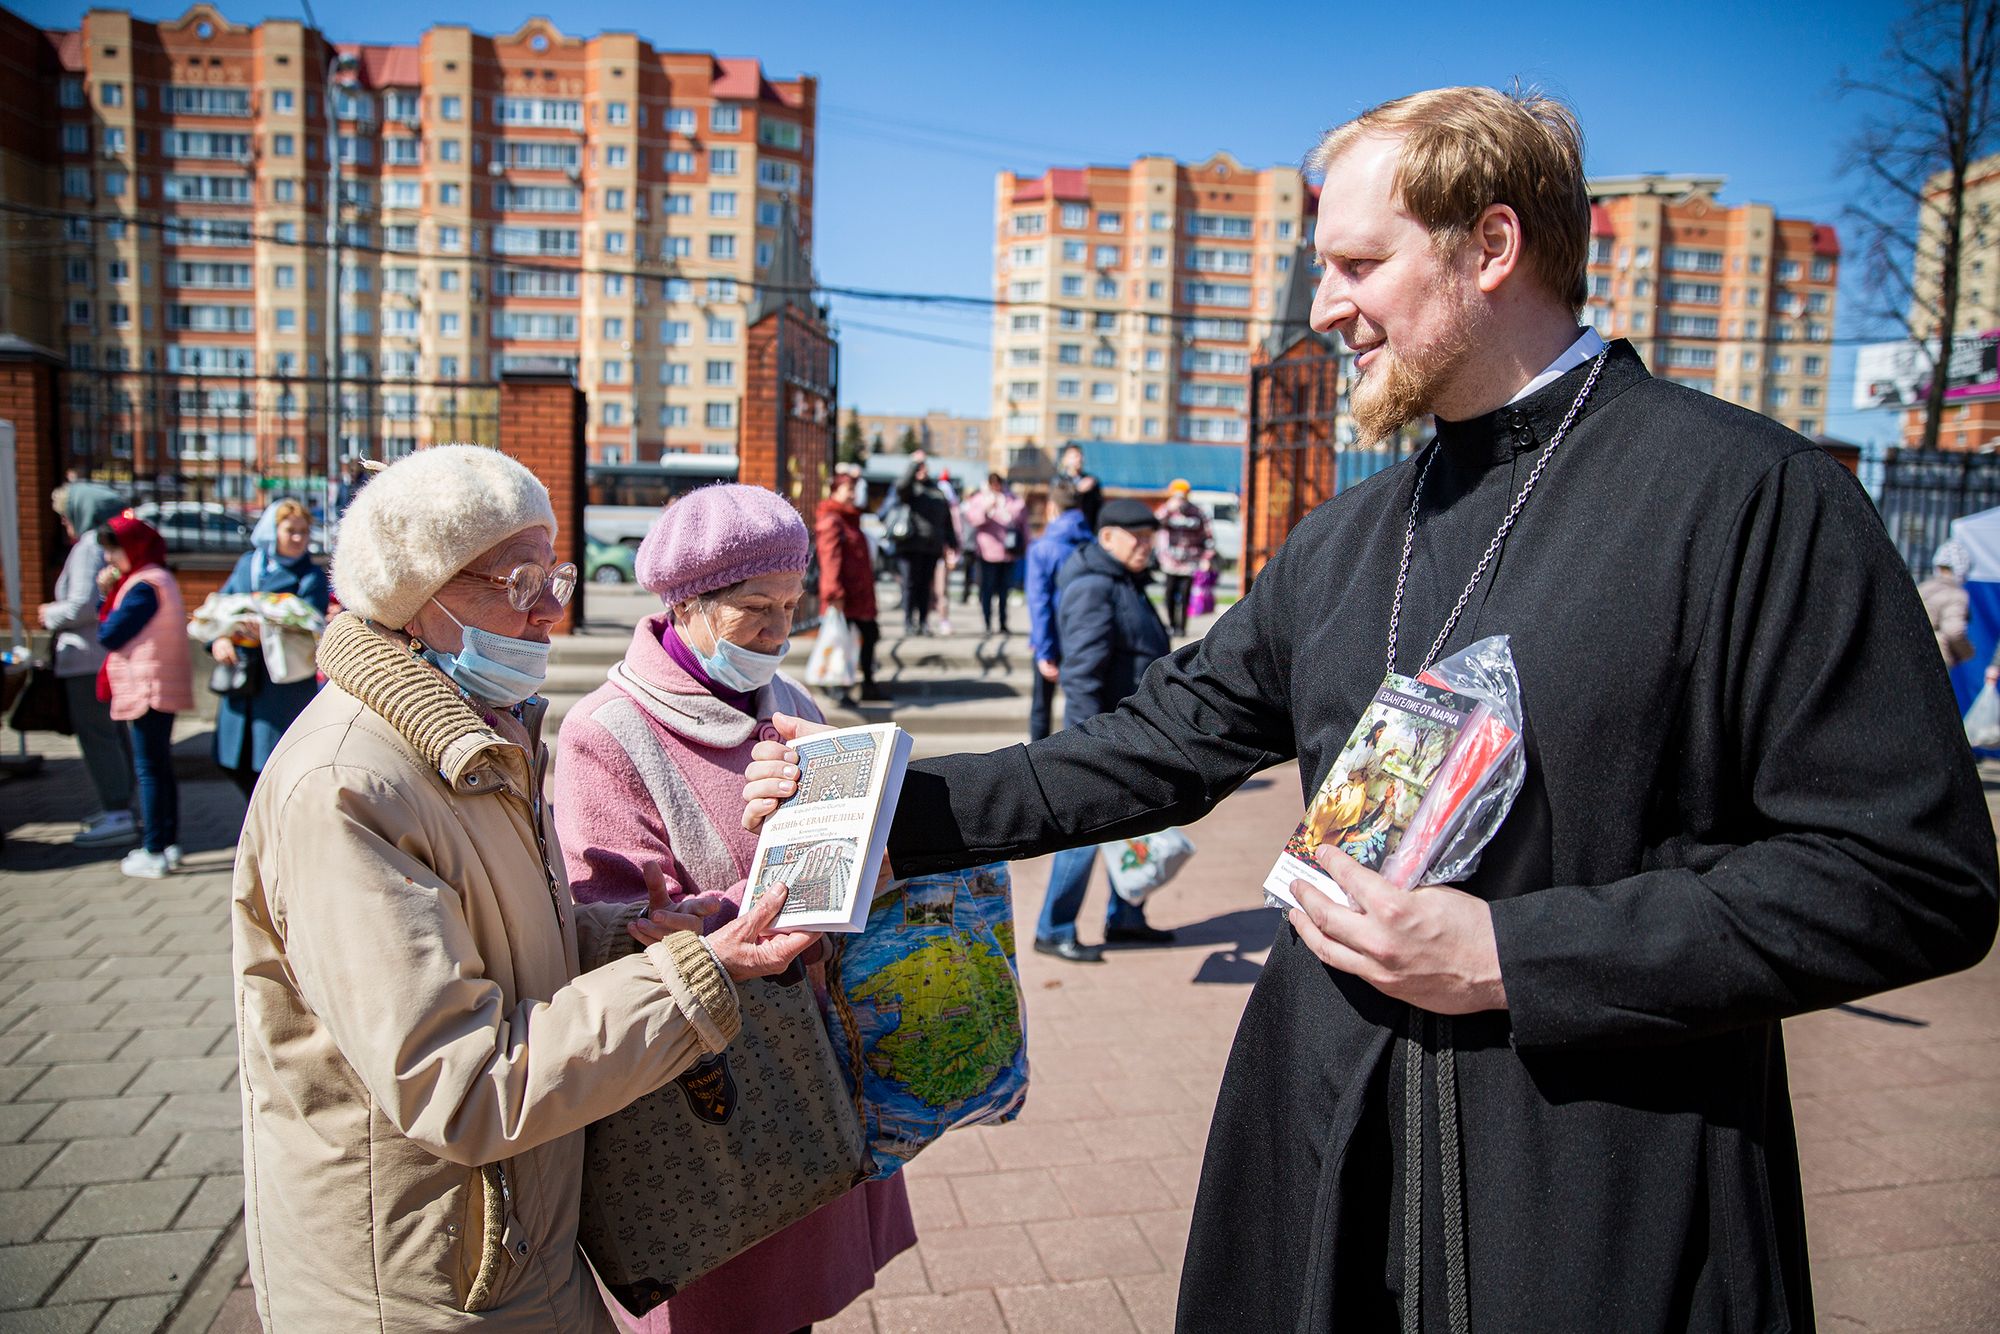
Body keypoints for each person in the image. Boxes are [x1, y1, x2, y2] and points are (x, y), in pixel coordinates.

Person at [749, 87, 2000, 1331]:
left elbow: (1906, 877)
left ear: (1491, 246)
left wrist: (1509, 955)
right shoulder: (1348, 537)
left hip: (1598, 1188)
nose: (1321, 308)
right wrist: (886, 801)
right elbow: (1156, 743)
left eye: (1356, 263)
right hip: (1320, 1158)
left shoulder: (1745, 497)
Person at [231, 446, 814, 1332]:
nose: (551, 612)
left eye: (557, 577)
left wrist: (633, 938)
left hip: (511, 1243)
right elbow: (460, 1082)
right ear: (415, 596)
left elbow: (509, 949)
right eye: (519, 583)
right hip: (430, 1275)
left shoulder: (478, 738)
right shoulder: (349, 786)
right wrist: (691, 976)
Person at [552, 483, 916, 1334]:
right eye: (756, 610)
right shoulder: (608, 730)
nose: (779, 635)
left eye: (792, 607)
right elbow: (610, 918)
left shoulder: (791, 705)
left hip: (811, 1055)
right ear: (685, 603)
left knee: (795, 1307)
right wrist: (734, 912)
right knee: (731, 1303)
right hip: (709, 1081)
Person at [1032, 499, 1176, 962]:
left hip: (1133, 731)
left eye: (1150, 538)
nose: (1145, 546)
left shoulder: (1124, 582)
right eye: (1136, 537)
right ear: (1107, 536)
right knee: (1086, 834)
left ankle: (1126, 917)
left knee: (1135, 825)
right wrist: (1087, 746)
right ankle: (1053, 929)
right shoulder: (1095, 586)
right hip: (1105, 736)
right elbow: (1082, 675)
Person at [207, 499, 331, 797]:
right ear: (272, 531)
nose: (299, 538)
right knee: (232, 759)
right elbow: (221, 608)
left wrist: (268, 629)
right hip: (242, 675)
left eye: (304, 531)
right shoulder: (248, 565)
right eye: (291, 531)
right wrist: (220, 639)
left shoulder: (310, 576)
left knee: (273, 762)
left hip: (281, 685)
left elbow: (309, 624)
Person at [94, 516, 193, 879]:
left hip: (147, 685)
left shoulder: (142, 584)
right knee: (159, 768)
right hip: (158, 683)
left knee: (149, 770)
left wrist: (105, 596)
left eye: (114, 548)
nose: (110, 557)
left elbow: (110, 634)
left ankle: (155, 849)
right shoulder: (157, 578)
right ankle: (166, 844)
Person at [38, 483, 135, 847]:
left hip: (86, 658)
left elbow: (81, 605)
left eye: (65, 517)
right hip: (102, 656)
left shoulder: (89, 545)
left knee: (99, 737)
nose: (65, 525)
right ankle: (120, 805)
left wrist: (50, 613)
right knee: (112, 735)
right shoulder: (105, 541)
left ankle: (117, 810)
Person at [1025, 480, 1094, 742]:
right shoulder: (1093, 544)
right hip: (1085, 635)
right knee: (1080, 705)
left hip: (1053, 634)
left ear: (1052, 507)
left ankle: (1035, 765)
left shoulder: (1042, 547)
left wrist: (1043, 650)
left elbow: (1039, 602)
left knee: (1041, 706)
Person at [816, 469, 887, 700]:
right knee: (841, 641)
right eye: (848, 490)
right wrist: (834, 592)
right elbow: (829, 558)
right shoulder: (832, 520)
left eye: (854, 490)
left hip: (859, 593)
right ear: (835, 491)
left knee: (869, 635)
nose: (853, 495)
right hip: (844, 596)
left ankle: (866, 683)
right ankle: (840, 686)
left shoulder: (850, 518)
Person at [892, 454, 956, 636]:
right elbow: (901, 485)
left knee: (925, 587)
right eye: (919, 468)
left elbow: (947, 519)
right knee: (910, 585)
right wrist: (914, 462)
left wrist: (951, 542)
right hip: (910, 545)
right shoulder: (911, 490)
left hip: (931, 547)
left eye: (924, 467)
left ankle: (923, 622)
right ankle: (908, 622)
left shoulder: (937, 492)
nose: (922, 471)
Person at [962, 472, 1029, 636]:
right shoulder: (979, 499)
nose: (996, 486)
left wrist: (1027, 546)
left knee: (1005, 590)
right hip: (986, 552)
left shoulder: (1012, 499)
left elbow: (1022, 521)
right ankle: (987, 622)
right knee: (987, 589)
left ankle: (1003, 622)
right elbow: (974, 519)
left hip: (1008, 552)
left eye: (998, 483)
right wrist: (988, 507)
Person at [1154, 479, 1216, 637]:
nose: (1180, 499)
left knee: (1185, 595)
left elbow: (1208, 537)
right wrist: (1168, 508)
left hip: (1190, 562)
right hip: (1170, 561)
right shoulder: (1166, 511)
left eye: (1183, 496)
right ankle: (1171, 625)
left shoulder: (1197, 512)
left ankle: (1181, 628)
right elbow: (1154, 524)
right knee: (1169, 595)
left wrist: (1206, 558)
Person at [1921, 539, 1975, 671]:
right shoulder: (1957, 595)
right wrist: (1967, 652)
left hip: (1909, 651)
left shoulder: (1922, 589)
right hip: (1937, 657)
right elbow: (1954, 631)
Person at [1056, 442, 1104, 529]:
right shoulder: (1058, 481)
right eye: (1074, 456)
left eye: (1080, 455)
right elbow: (1062, 501)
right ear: (1064, 460)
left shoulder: (1092, 481)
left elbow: (1098, 507)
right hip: (1065, 529)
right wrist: (1077, 489)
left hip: (1087, 529)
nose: (1079, 459)